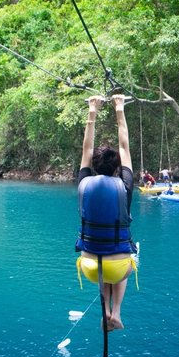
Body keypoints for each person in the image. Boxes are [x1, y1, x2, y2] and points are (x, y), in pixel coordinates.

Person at [75, 94, 136, 331]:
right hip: (117, 266)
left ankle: (105, 311)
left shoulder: (83, 183)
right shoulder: (126, 185)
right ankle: (116, 312)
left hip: (90, 267)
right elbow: (124, 145)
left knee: (104, 262)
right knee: (126, 260)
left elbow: (86, 148)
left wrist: (93, 111)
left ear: (92, 165)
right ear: (117, 168)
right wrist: (119, 108)